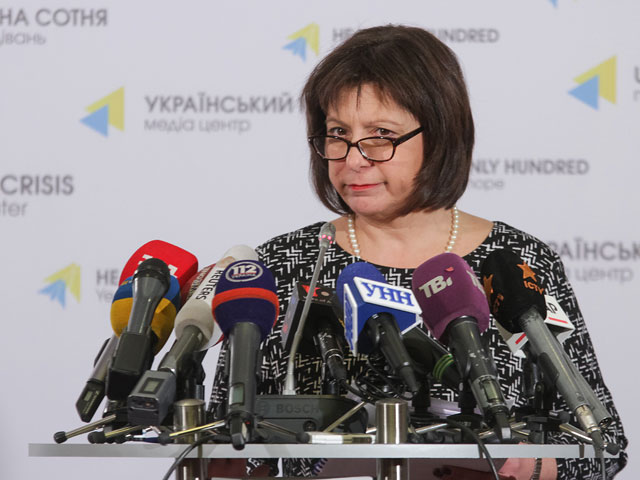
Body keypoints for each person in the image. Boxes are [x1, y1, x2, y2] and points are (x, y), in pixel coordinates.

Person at [208, 25, 627, 479]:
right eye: (337, 133)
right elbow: (220, 444)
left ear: (440, 135)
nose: (353, 158)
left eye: (381, 134)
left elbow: (603, 447)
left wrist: (524, 464)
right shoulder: (284, 265)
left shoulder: (515, 261)